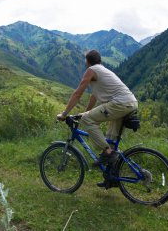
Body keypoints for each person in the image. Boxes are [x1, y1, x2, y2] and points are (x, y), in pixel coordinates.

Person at [57, 50, 138, 187]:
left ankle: (107, 152)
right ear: (99, 60)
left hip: (120, 103)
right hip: (130, 103)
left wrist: (65, 114)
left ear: (87, 61)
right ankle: (111, 178)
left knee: (87, 121)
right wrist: (86, 112)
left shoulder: (91, 70)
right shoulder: (103, 71)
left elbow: (77, 93)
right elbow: (93, 97)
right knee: (110, 138)